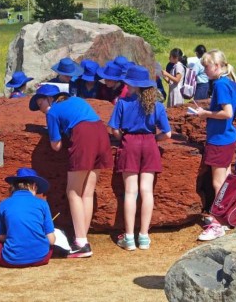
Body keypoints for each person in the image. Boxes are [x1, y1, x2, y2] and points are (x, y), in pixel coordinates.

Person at [29, 84, 112, 258]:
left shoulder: (52, 112)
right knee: (87, 193)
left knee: (72, 192)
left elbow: (56, 146)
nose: (41, 109)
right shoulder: (76, 100)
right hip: (100, 134)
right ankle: (82, 238)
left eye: (40, 104)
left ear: (48, 99)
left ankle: (82, 243)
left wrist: (53, 130)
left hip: (83, 138)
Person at [108, 65, 172, 251]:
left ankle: (129, 237)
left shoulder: (122, 102)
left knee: (130, 192)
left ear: (131, 84)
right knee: (147, 191)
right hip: (150, 145)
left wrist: (123, 138)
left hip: (130, 144)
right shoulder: (157, 106)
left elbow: (114, 129)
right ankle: (143, 236)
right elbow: (167, 134)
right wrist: (154, 138)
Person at [190, 50, 236, 241]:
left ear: (217, 66)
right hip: (226, 137)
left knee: (218, 182)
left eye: (206, 66)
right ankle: (227, 215)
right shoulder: (227, 82)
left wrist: (205, 113)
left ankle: (218, 221)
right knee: (227, 179)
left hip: (219, 139)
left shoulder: (219, 84)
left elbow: (227, 113)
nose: (205, 70)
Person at [0, 168, 55, 268]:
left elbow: (2, 237)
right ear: (33, 186)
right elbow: (51, 240)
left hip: (11, 260)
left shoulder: (4, 204)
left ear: (13, 186)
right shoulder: (42, 204)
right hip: (42, 258)